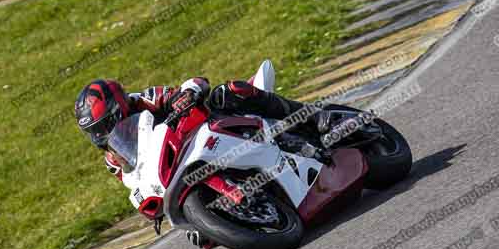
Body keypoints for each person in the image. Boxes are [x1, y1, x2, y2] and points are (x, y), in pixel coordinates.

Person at [73, 78, 329, 179]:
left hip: (209, 131)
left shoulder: (144, 100)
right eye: (94, 130)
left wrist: (186, 95)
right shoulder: (114, 160)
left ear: (119, 106)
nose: (101, 134)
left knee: (230, 92)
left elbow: (195, 83)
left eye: (104, 124)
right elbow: (141, 183)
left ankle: (312, 117)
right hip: (187, 168)